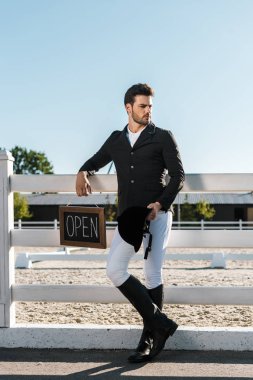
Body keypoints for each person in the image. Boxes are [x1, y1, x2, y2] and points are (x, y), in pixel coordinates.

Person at [76, 83, 185, 362]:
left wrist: (160, 204)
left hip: (157, 216)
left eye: (150, 106)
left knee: (152, 273)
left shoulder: (162, 137)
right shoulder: (116, 139)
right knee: (114, 269)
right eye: (142, 106)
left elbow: (178, 176)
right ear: (128, 108)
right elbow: (96, 160)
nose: (148, 110)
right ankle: (161, 324)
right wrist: (83, 171)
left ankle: (149, 338)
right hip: (128, 217)